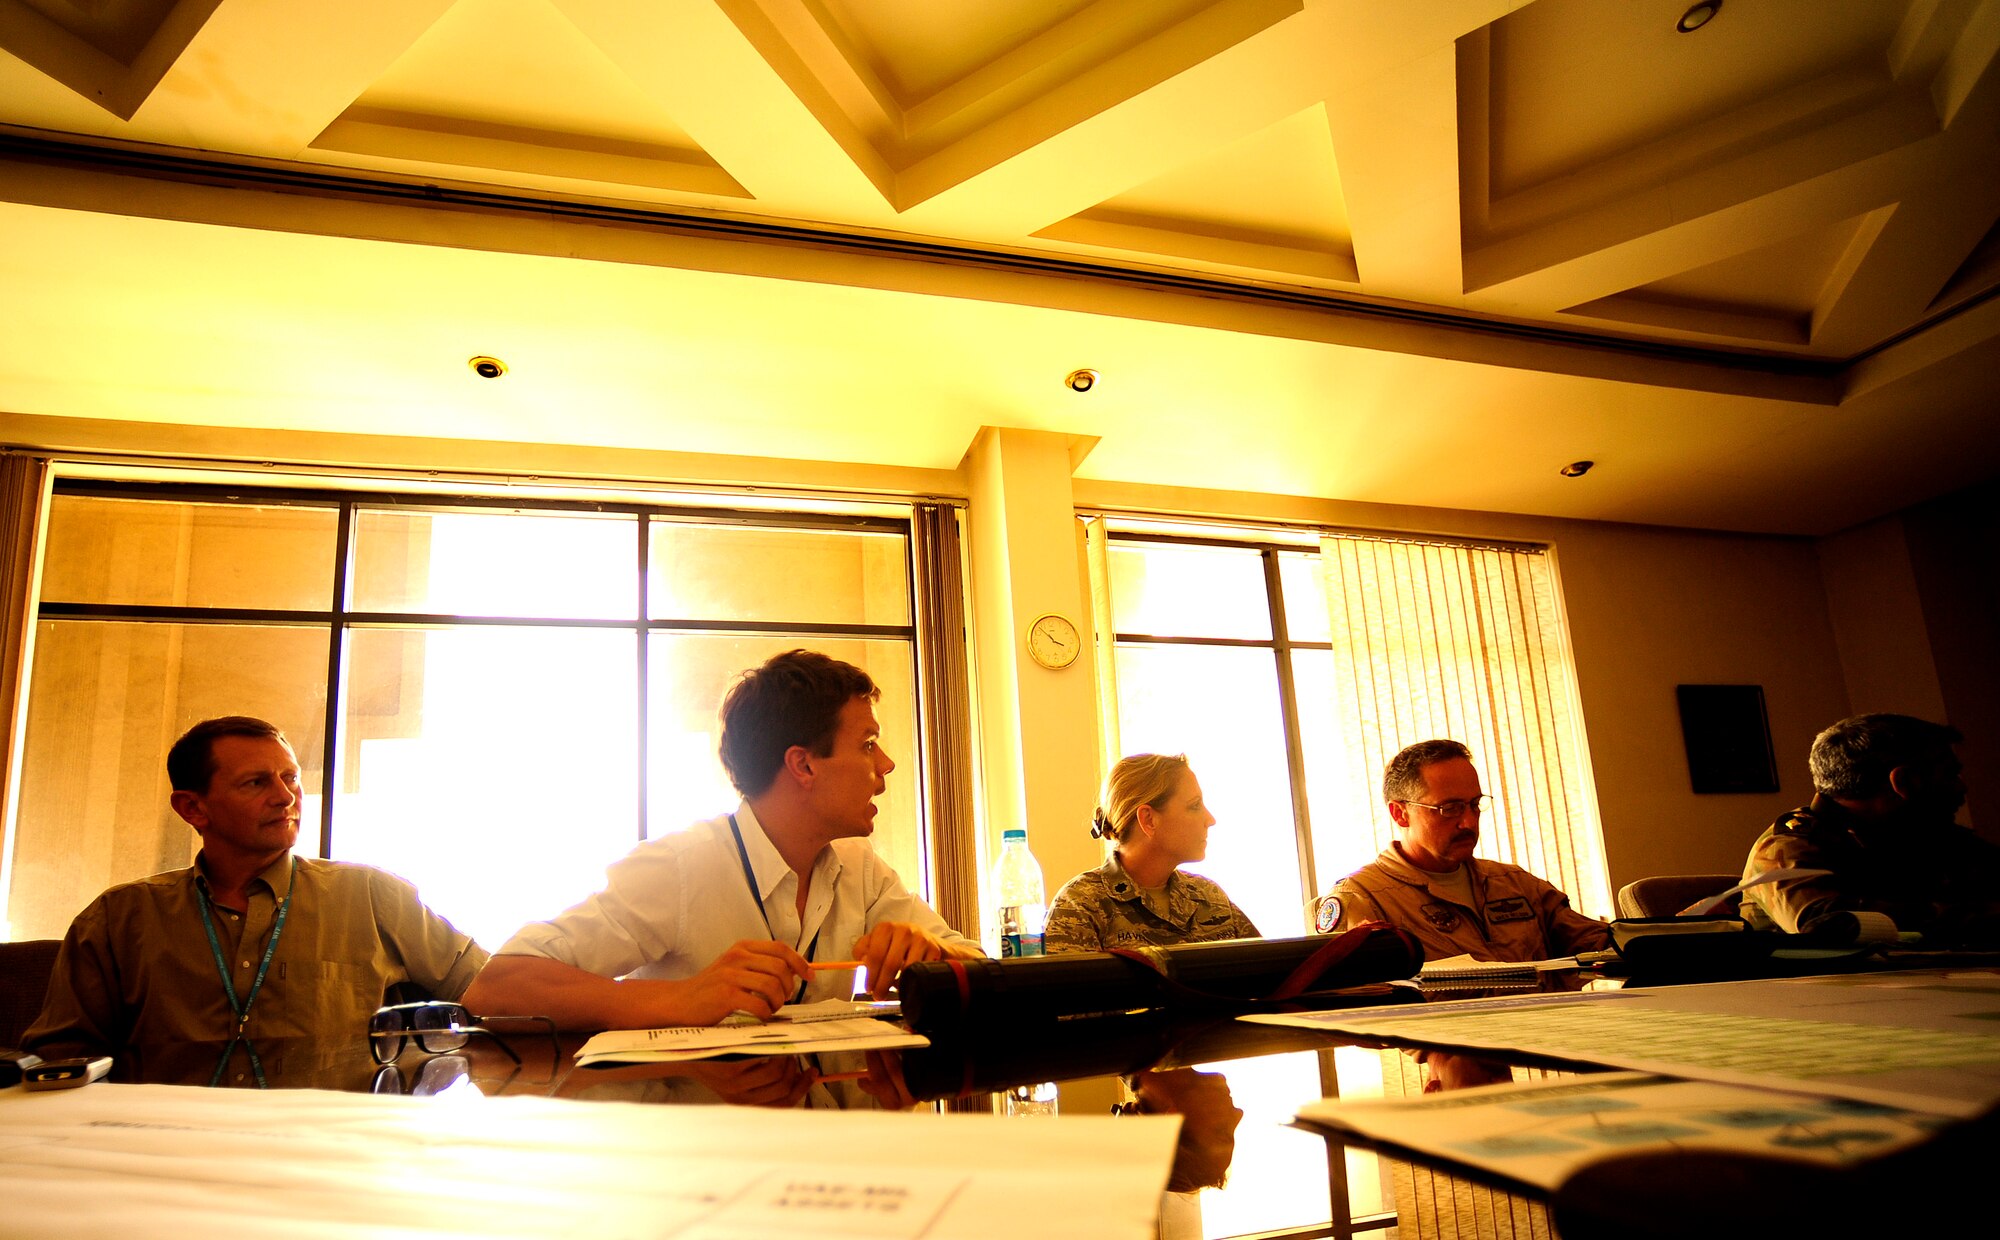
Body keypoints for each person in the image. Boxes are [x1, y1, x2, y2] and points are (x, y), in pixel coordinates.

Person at [465, 650, 981, 1029]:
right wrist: (685, 999)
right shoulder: (681, 868)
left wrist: (934, 956)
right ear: (803, 764)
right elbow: (497, 987)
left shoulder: (860, 868)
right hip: (702, 1158)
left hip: (828, 1155)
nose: (887, 766)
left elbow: (985, 971)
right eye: (868, 744)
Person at [23, 716, 487, 1084]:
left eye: (290, 778)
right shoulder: (119, 918)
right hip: (163, 1159)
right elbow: (63, 1058)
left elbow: (492, 994)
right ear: (192, 808)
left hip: (329, 1159)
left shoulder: (371, 896)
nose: (286, 797)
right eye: (256, 783)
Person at [1319, 739, 1610, 960]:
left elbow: (1600, 944)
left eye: (1474, 804)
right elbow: (1352, 1002)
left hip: (1552, 1034)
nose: (1468, 822)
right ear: (1400, 814)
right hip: (1444, 1039)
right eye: (1450, 809)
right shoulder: (1363, 897)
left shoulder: (1512, 882)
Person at [1739, 714, 2000, 942]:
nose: (1961, 787)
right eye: (1950, 775)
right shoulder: (1787, 848)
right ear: (1904, 781)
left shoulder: (1933, 836)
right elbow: (1827, 922)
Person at [1043, 754, 1258, 953]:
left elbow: (1271, 978)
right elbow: (1065, 993)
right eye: (1194, 806)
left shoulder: (1209, 896)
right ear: (1148, 819)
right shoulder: (1081, 904)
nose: (1210, 820)